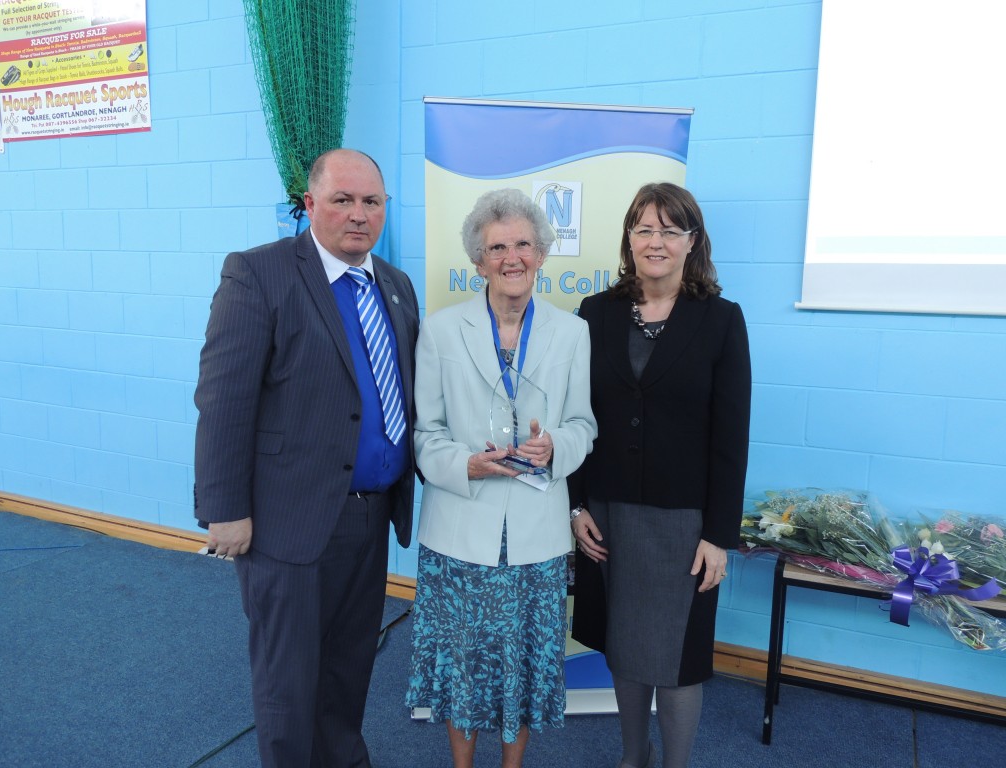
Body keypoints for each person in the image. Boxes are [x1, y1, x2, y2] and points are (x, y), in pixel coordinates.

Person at [193, 148, 419, 768]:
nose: (358, 214)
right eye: (342, 200)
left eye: (371, 202)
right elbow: (223, 399)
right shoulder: (258, 274)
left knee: (349, 670)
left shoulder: (395, 286)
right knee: (289, 685)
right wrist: (225, 510)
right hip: (286, 522)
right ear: (310, 204)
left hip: (370, 519)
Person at [406, 188, 597, 768]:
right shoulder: (439, 331)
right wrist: (464, 463)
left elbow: (584, 425)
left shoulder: (572, 332)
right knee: (464, 665)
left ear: (541, 253)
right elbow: (425, 434)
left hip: (538, 534)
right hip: (460, 529)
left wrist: (553, 447)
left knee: (524, 662)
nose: (510, 257)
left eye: (522, 244)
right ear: (478, 259)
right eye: (496, 247)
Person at [568, 182, 751, 768]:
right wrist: (576, 506)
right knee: (624, 646)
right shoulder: (594, 313)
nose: (656, 241)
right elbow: (574, 415)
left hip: (683, 521)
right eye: (644, 228)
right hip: (608, 512)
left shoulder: (721, 321)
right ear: (628, 238)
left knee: (677, 657)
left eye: (670, 230)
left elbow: (731, 437)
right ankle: (632, 757)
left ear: (691, 242)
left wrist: (719, 533)